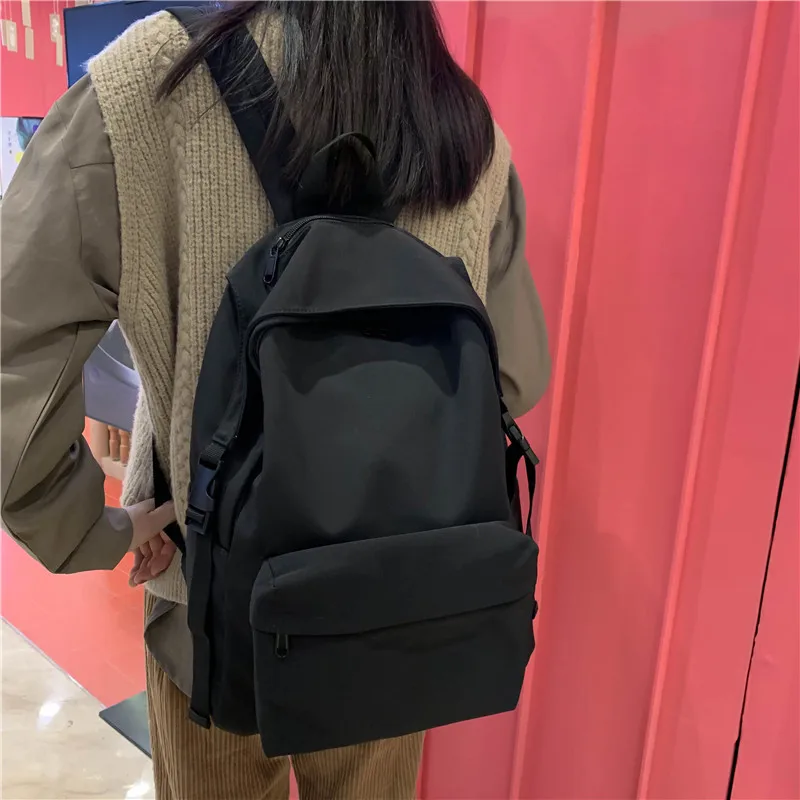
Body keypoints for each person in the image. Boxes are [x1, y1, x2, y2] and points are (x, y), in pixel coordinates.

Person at [0, 2, 550, 798]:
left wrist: (100, 526)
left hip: (212, 610)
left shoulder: (151, 82)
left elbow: (14, 360)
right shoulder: (464, 125)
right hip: (397, 604)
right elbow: (515, 375)